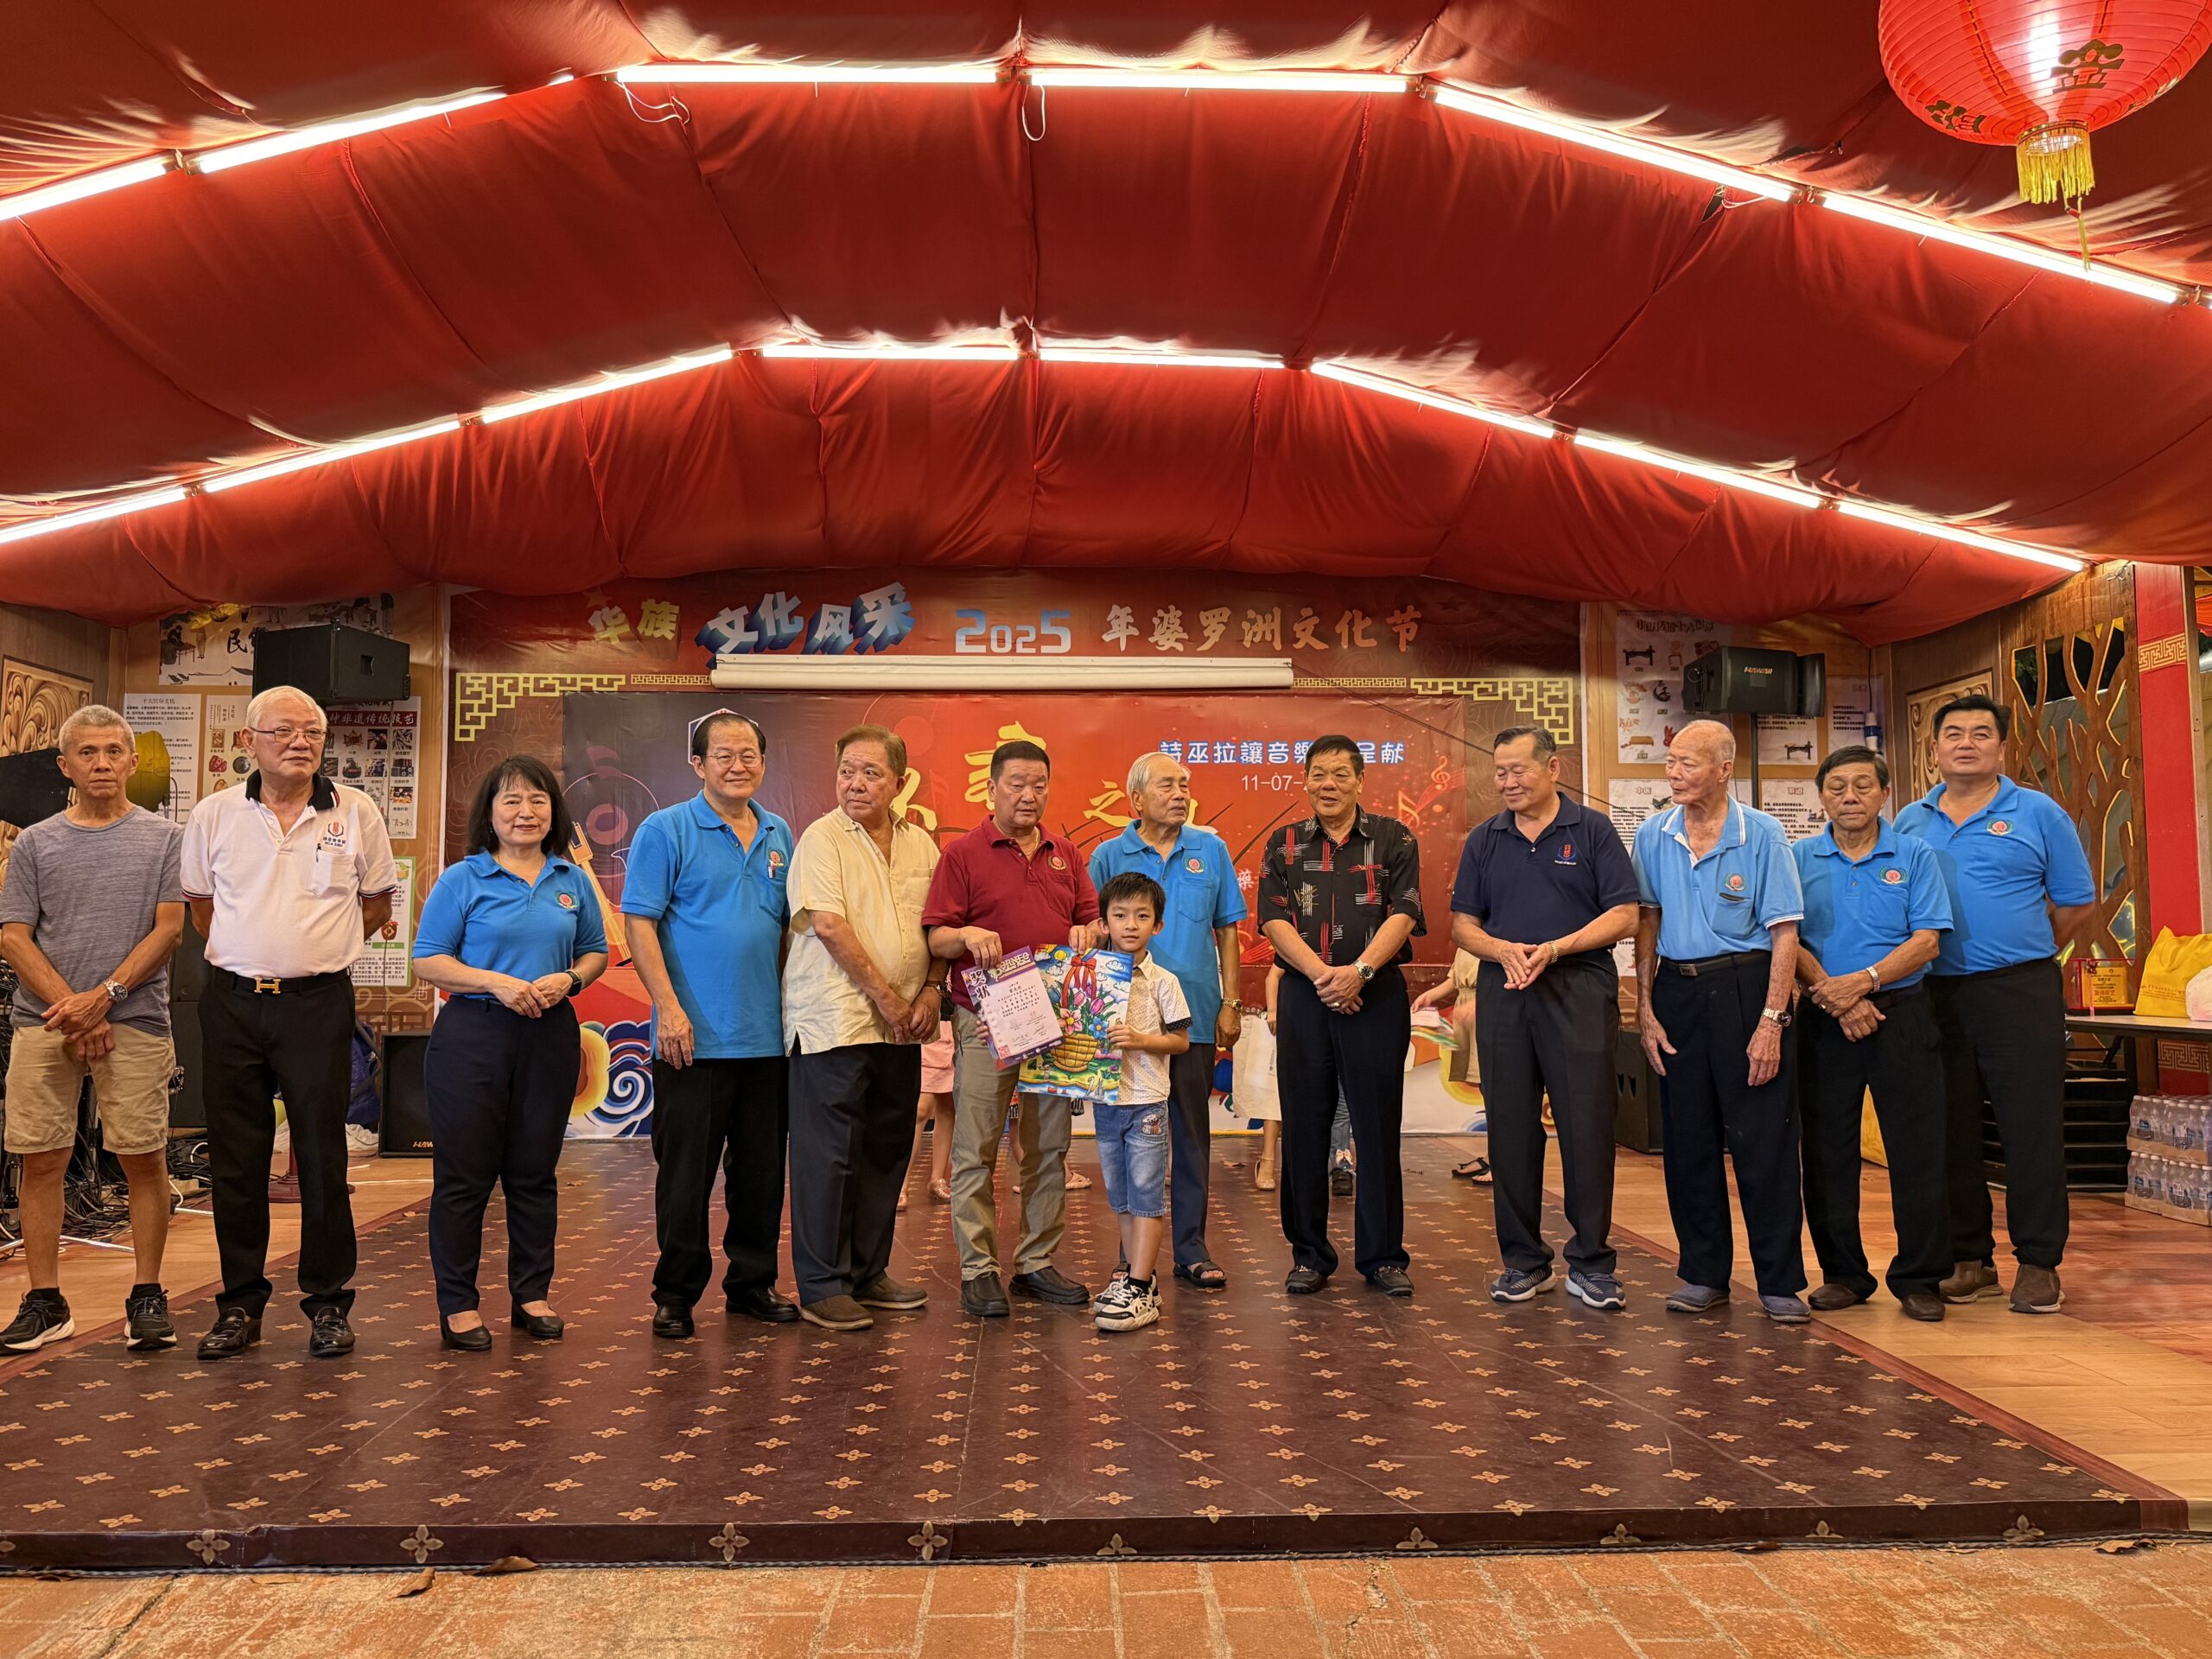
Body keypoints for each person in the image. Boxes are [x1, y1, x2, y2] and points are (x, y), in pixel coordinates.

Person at [180, 687, 397, 1359]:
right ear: (248, 742)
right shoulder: (214, 814)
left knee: (323, 1157)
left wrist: (316, 952)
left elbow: (377, 902)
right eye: (283, 731)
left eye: (312, 732)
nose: (300, 742)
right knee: (236, 1158)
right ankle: (240, 1306)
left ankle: (328, 1304)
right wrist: (254, 956)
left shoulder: (356, 810)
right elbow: (201, 909)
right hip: (233, 1003)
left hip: (317, 1003)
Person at [1894, 694, 2094, 1315]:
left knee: (2030, 1127)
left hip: (2019, 991)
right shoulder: (1909, 821)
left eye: (1982, 733)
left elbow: (2075, 903)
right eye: (1953, 733)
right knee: (1949, 1126)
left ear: (2002, 748)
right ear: (1933, 749)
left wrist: (2024, 950)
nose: (1967, 743)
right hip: (1931, 992)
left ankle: (2039, 1262)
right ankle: (1970, 1259)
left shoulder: (2039, 812)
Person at [0, 707, 185, 1354]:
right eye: (87, 753)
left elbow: (169, 929)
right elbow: (13, 936)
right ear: (65, 766)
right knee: (41, 1158)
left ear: (132, 762)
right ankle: (45, 1301)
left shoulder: (166, 839)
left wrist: (105, 999)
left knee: (143, 1157)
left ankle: (147, 1294)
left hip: (133, 1021)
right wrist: (73, 1010)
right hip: (46, 1022)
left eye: (113, 751)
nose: (101, 763)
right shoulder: (34, 842)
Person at [410, 756, 608, 1351]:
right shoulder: (463, 878)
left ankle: (532, 1295)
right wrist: (495, 982)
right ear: (490, 813)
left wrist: (570, 980)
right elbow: (427, 960)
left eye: (538, 801)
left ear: (554, 811)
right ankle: (458, 1305)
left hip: (549, 1035)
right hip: (473, 1035)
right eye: (512, 801)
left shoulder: (572, 879)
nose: (526, 812)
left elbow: (595, 951)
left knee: (534, 1173)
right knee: (464, 1178)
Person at [1450, 726, 1640, 1310]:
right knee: (1510, 1128)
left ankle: (1592, 1262)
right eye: (1499, 772)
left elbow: (1625, 914)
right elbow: (1463, 924)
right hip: (1505, 989)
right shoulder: (1485, 838)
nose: (1507, 782)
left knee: (1587, 1126)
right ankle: (1524, 1262)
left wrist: (1558, 948)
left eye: (1518, 770)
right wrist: (1500, 949)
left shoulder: (1592, 830)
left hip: (1578, 987)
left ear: (1553, 768)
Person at [623, 710, 798, 1339]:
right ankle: (675, 1294)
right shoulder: (665, 829)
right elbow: (639, 922)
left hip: (766, 1040)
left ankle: (752, 1285)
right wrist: (669, 1010)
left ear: (764, 763)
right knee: (685, 1179)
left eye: (749, 754)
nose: (737, 765)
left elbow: (785, 930)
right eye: (723, 755)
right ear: (697, 764)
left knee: (760, 1177)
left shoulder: (779, 833)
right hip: (690, 1040)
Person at [1632, 718, 1808, 1323]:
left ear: (1724, 769)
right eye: (1670, 762)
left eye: (1688, 763)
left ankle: (1779, 1281)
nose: (1674, 773)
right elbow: (1647, 922)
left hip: (1746, 986)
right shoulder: (1653, 834)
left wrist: (1772, 1020)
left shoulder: (1762, 833)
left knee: (1764, 1140)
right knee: (1687, 1141)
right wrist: (1645, 1008)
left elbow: (1785, 933)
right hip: (1677, 993)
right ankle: (1703, 1273)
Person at [923, 739, 1102, 1318]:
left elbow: (1092, 920)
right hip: (985, 1017)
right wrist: (966, 935)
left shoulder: (1065, 853)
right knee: (976, 1147)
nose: (1029, 795)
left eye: (1039, 785)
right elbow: (936, 938)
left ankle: (1036, 1263)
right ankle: (978, 1269)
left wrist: (1089, 932)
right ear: (992, 788)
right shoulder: (962, 854)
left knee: (1049, 1146)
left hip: (1055, 1017)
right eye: (1017, 784)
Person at [783, 725, 944, 1332]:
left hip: (903, 1026)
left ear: (899, 783)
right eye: (847, 770)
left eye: (871, 773)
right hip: (836, 1022)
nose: (855, 783)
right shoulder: (821, 839)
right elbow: (828, 925)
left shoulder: (922, 845)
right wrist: (888, 1000)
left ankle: (868, 1272)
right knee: (829, 1157)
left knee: (885, 1149)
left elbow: (940, 925)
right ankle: (822, 1285)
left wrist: (929, 991)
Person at [1257, 734, 1424, 1298]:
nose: (1328, 784)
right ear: (1304, 780)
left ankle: (1383, 1257)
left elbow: (1405, 912)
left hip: (1375, 997)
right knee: (1304, 1127)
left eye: (1340, 774)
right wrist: (1325, 978)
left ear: (1359, 780)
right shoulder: (1283, 843)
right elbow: (1274, 921)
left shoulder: (1395, 838)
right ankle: (1309, 1255)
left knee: (1376, 1127)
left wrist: (1360, 973)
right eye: (1318, 774)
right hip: (1306, 997)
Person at [1792, 746, 1952, 1323]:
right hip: (1823, 1016)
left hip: (1901, 1013)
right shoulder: (1797, 857)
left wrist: (1863, 984)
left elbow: (1927, 940)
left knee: (1918, 1149)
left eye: (1863, 785)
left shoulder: (1914, 854)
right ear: (1822, 797)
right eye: (1837, 787)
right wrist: (1832, 995)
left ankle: (1920, 1278)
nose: (1850, 797)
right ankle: (1843, 1275)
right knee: (1826, 1151)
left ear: (1885, 793)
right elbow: (1785, 936)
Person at [1088, 753, 1246, 1290]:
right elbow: (1090, 929)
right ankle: (1131, 1255)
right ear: (1136, 798)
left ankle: (1191, 1249)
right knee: (1127, 1141)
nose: (1180, 794)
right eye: (1167, 786)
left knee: (1191, 1135)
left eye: (1184, 785)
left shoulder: (1210, 849)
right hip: (1123, 1025)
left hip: (1192, 1017)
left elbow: (1228, 930)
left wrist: (1231, 1002)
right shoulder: (1109, 855)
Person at [1090, 873, 1193, 1333]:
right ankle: (1136, 1280)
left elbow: (1181, 1042)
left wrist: (1139, 1039)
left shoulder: (1164, 981)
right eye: (1120, 915)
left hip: (1147, 1101)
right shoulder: (1091, 977)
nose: (1130, 924)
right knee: (1121, 1197)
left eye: (1142, 916)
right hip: (1105, 1100)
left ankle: (1139, 1284)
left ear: (1158, 925)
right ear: (1104, 923)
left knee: (1147, 1196)